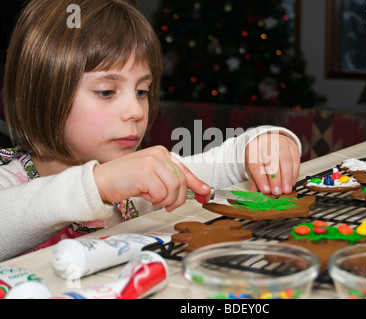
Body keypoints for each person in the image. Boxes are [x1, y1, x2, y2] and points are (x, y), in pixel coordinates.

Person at [0, 0, 301, 262]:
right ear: (42, 92)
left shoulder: (144, 180)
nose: (136, 110)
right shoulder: (10, 180)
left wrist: (264, 142)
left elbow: (227, 161)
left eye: (142, 91)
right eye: (106, 91)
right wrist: (98, 184)